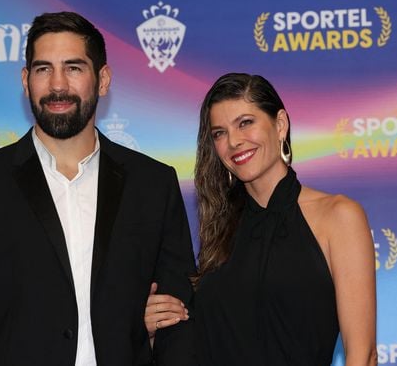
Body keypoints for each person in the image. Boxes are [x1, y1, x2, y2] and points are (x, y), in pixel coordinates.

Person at [0, 11, 196, 366]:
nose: (57, 85)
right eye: (43, 69)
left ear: (103, 79)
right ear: (25, 80)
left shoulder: (153, 184)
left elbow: (178, 321)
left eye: (74, 67)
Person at [144, 73, 376, 366]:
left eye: (245, 123)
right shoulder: (219, 231)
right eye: (219, 133)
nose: (234, 142)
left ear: (280, 125)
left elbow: (363, 355)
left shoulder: (338, 216)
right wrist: (155, 331)